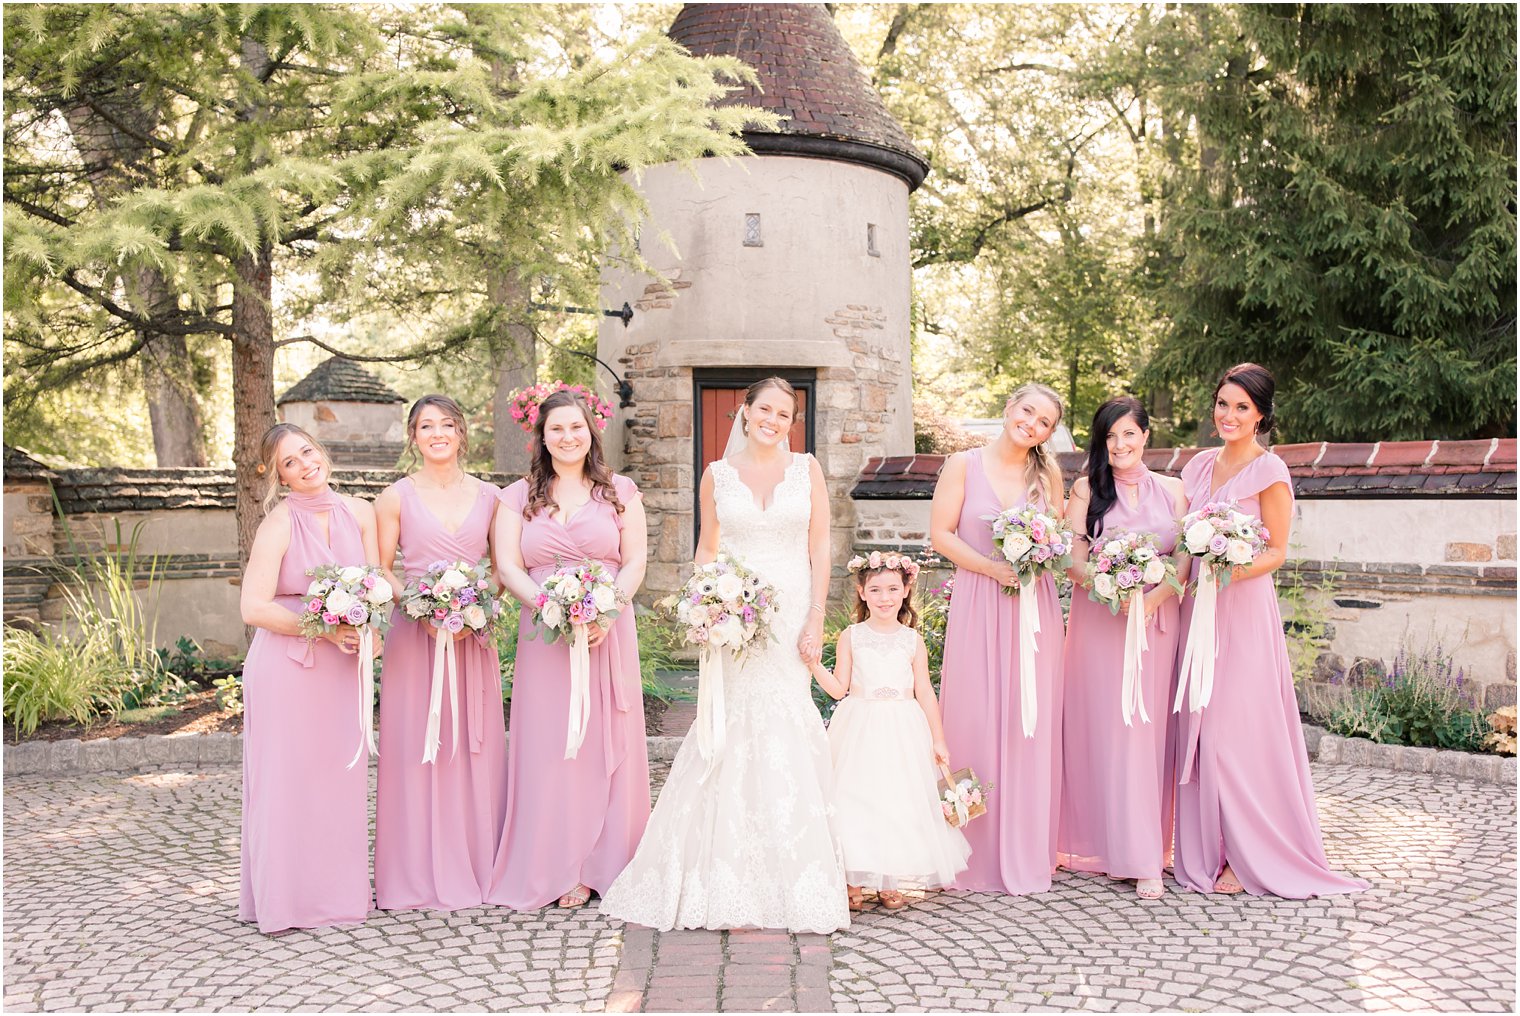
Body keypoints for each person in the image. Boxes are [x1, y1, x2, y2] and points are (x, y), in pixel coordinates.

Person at [599, 377, 849, 933]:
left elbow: (819, 546)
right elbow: (709, 547)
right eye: (766, 409)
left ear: (792, 421)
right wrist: (706, 604)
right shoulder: (718, 474)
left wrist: (814, 616)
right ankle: (724, 871)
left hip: (787, 619)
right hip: (735, 616)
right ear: (745, 410)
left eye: (785, 413)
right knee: (729, 725)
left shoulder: (807, 470)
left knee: (787, 719)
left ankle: (793, 873)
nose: (774, 420)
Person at [1172, 363, 1368, 898]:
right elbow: (1180, 546)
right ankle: (1205, 848)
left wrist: (1226, 566)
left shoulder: (1270, 472)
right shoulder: (1196, 468)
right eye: (1222, 403)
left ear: (1260, 414)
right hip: (1197, 611)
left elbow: (1276, 552)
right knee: (1199, 725)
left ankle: (1249, 854)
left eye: (1241, 407)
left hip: (1242, 610)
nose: (1228, 415)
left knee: (1236, 732)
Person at [486, 387, 650, 911]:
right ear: (542, 436)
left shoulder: (621, 491)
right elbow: (509, 565)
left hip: (608, 630)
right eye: (556, 428)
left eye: (575, 427)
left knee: (606, 739)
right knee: (551, 746)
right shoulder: (517, 495)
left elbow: (635, 562)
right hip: (545, 633)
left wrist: (604, 610)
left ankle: (608, 863)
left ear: (590, 431)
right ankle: (555, 866)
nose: (567, 436)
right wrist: (551, 607)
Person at [238, 423, 377, 933]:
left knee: (338, 779)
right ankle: (285, 902)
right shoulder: (278, 523)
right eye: (289, 463)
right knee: (287, 781)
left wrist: (371, 633)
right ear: (280, 477)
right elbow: (252, 606)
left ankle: (337, 896)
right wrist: (320, 628)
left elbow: (377, 582)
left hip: (342, 668)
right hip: (286, 668)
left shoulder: (360, 512)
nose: (304, 465)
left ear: (322, 452)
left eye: (306, 452)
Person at [930, 382, 1068, 895]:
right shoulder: (961, 464)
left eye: (1043, 423)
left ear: (1049, 434)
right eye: (1027, 412)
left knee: (1029, 724)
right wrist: (992, 567)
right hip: (978, 600)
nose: (1030, 424)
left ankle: (1027, 847)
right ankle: (970, 853)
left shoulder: (1047, 473)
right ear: (1009, 408)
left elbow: (1056, 538)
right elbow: (941, 534)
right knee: (973, 716)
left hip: (1034, 607)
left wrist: (1040, 551)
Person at [373, 395, 506, 911]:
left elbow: (501, 565)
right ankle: (414, 873)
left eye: (446, 424)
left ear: (462, 432)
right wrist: (421, 606)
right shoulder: (395, 498)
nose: (437, 433)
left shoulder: (492, 497)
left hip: (473, 635)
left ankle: (478, 862)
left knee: (473, 742)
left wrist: (475, 606)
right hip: (417, 637)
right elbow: (383, 566)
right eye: (426, 426)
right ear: (413, 438)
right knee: (417, 744)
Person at [1057, 397, 1187, 900]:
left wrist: (1150, 599)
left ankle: (1147, 854)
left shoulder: (1175, 491)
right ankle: (1101, 843)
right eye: (1110, 437)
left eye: (1129, 434)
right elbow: (1073, 559)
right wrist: (1111, 589)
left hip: (1155, 622)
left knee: (1146, 732)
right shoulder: (1087, 489)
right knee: (1106, 729)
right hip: (1100, 622)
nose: (1120, 445)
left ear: (1146, 437)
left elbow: (1184, 558)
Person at [808, 552, 971, 912]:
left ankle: (889, 879)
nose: (885, 598)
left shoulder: (911, 640)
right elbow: (839, 689)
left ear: (905, 590)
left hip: (903, 727)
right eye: (876, 589)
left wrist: (938, 738)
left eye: (893, 589)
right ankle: (852, 878)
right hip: (860, 725)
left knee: (897, 800)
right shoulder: (852, 636)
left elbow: (925, 691)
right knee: (855, 797)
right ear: (862, 592)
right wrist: (814, 666)